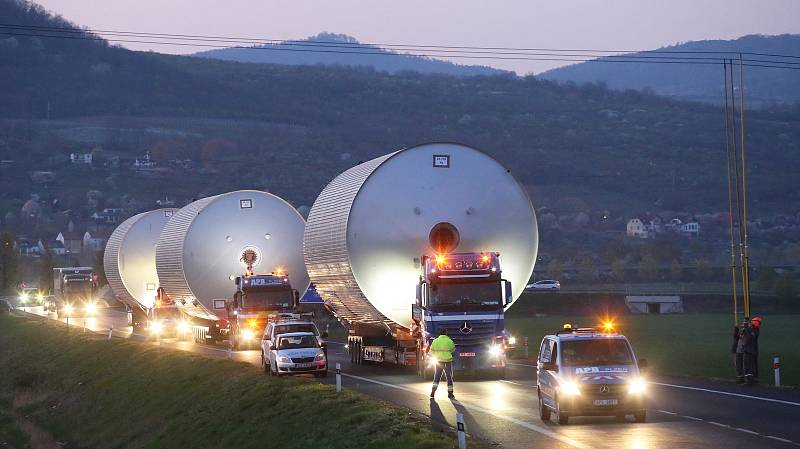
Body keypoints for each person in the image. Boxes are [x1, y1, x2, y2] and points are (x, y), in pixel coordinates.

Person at [429, 328, 456, 399]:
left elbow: (431, 351)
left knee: (437, 377)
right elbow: (453, 351)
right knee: (449, 377)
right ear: (446, 333)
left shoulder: (435, 341)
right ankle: (450, 394)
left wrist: (436, 355)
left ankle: (433, 392)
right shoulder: (450, 341)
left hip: (438, 362)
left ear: (439, 333)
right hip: (447, 362)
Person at [737, 316, 761, 385]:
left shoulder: (755, 330)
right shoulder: (751, 329)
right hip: (749, 350)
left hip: (749, 350)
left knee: (748, 366)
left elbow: (750, 336)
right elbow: (741, 335)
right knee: (749, 366)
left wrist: (746, 326)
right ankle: (750, 380)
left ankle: (749, 381)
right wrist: (744, 327)